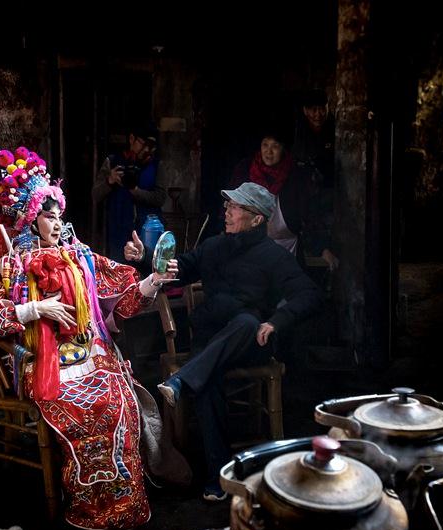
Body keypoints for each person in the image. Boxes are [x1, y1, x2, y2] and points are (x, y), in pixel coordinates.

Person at [0, 146, 183, 530]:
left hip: (92, 354)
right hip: (42, 361)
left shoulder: (79, 255)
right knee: (79, 408)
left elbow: (126, 296)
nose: (56, 221)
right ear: (31, 219)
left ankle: (123, 504)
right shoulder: (10, 265)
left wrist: (153, 278)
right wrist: (35, 310)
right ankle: (87, 504)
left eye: (58, 214)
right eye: (48, 216)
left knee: (117, 399)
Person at [125, 182, 323, 500]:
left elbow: (310, 294)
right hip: (211, 341)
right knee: (208, 380)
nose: (227, 212)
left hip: (251, 343)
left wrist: (276, 321)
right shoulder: (215, 245)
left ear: (257, 219)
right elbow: (181, 269)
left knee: (247, 321)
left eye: (235, 208)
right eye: (228, 206)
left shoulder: (274, 256)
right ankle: (219, 477)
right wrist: (145, 257)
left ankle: (182, 381)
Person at [227, 125, 338, 272]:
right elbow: (230, 208)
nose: (269, 152)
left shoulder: (296, 175)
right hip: (250, 246)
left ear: (283, 149)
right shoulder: (244, 170)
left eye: (275, 146)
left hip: (287, 248)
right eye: (265, 145)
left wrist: (323, 249)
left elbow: (310, 215)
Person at [91, 121, 166, 262]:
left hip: (148, 233)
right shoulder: (113, 161)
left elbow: (160, 198)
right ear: (132, 139)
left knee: (148, 273)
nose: (146, 150)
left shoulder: (156, 165)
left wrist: (135, 191)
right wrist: (110, 181)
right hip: (118, 233)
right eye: (143, 144)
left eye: (151, 147)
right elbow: (95, 194)